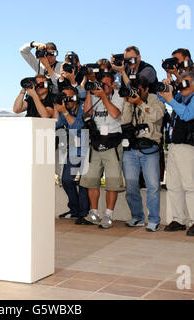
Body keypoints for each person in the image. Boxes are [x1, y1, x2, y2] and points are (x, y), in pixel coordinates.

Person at [158, 72, 194, 236]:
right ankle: (179, 219)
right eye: (180, 83)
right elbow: (161, 98)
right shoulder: (179, 97)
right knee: (173, 185)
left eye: (184, 83)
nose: (181, 87)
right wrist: (166, 89)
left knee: (189, 185)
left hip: (189, 147)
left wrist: (171, 99)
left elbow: (187, 114)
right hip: (175, 145)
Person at [79, 73, 125, 229]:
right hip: (96, 142)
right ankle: (94, 212)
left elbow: (115, 114)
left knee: (112, 181)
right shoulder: (94, 96)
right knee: (91, 180)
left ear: (112, 84)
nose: (101, 87)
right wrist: (88, 93)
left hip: (112, 142)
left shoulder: (118, 95)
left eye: (105, 84)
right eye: (99, 84)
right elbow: (86, 113)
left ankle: (108, 215)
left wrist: (104, 97)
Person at [121, 76, 165, 232]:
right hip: (131, 148)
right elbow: (124, 122)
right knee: (131, 185)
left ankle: (154, 220)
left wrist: (140, 103)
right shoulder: (130, 101)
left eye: (138, 89)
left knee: (152, 186)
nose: (135, 92)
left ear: (146, 89)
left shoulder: (155, 99)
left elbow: (156, 116)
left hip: (150, 148)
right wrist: (127, 102)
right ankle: (137, 217)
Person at [54, 86, 90, 224]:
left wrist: (65, 112)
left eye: (70, 98)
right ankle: (74, 210)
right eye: (65, 98)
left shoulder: (83, 107)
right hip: (74, 150)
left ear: (76, 97)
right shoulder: (65, 110)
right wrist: (57, 108)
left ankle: (83, 213)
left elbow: (79, 127)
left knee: (84, 183)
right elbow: (56, 124)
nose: (67, 101)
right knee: (67, 180)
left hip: (87, 150)